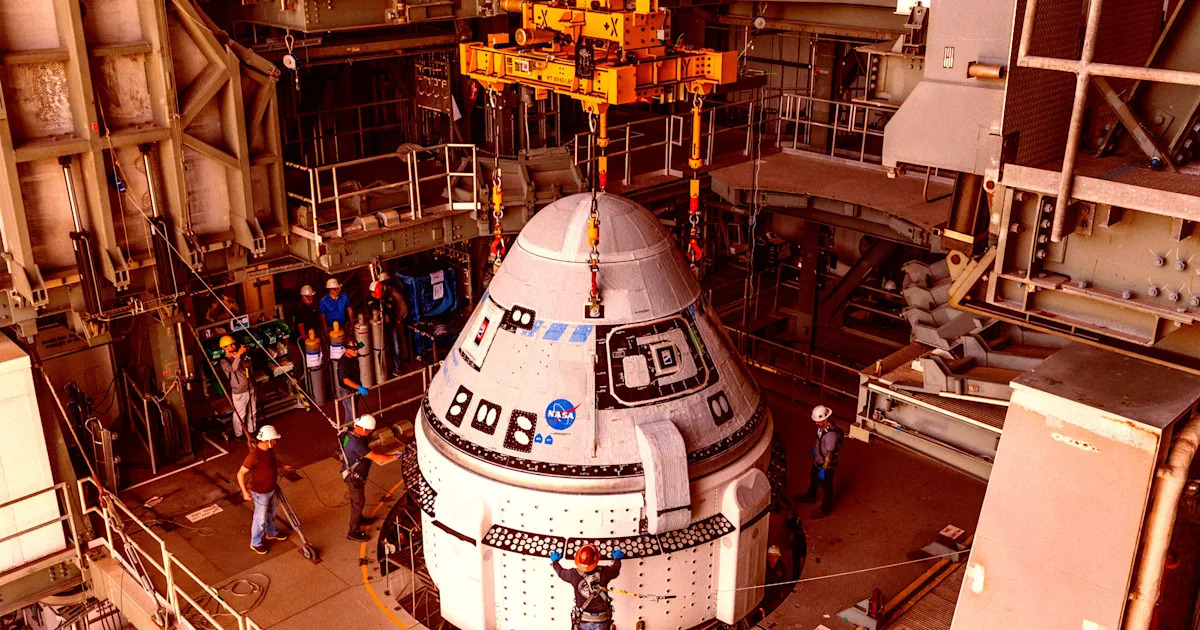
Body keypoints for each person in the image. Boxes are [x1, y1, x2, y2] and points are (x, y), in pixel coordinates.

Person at [340, 414, 400, 541]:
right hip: (353, 478)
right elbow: (378, 459)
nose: (370, 433)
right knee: (357, 504)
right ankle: (353, 532)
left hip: (354, 475)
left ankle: (359, 519)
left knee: (359, 502)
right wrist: (396, 456)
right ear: (363, 429)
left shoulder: (350, 434)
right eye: (369, 431)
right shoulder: (356, 444)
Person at [237, 425, 292, 554]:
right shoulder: (253, 456)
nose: (275, 442)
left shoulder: (269, 450)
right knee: (260, 518)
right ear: (268, 441)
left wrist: (283, 466)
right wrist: (244, 492)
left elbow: (272, 461)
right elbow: (240, 474)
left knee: (271, 512)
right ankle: (255, 542)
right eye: (274, 439)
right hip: (260, 493)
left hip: (271, 489)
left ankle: (271, 532)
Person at [550, 543, 624, 630]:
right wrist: (617, 559)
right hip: (601, 620)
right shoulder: (605, 572)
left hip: (582, 619)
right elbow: (615, 570)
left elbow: (561, 573)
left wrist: (555, 562)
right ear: (596, 559)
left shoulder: (573, 575)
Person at [794, 405, 844, 519]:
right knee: (814, 477)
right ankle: (810, 496)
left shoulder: (831, 435)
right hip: (819, 459)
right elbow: (819, 440)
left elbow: (829, 454)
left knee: (826, 486)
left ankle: (826, 508)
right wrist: (815, 451)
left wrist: (824, 469)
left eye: (818, 421)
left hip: (826, 464)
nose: (816, 423)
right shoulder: (822, 428)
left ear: (825, 419)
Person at [219, 335, 256, 440]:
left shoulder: (239, 356)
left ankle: (252, 430)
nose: (233, 346)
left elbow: (248, 366)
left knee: (252, 411)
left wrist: (242, 357)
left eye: (233, 344)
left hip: (250, 387)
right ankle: (239, 434)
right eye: (230, 345)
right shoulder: (224, 361)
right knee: (240, 415)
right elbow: (233, 368)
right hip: (239, 392)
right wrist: (238, 355)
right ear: (224, 348)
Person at [374, 272, 410, 376]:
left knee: (397, 342)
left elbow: (403, 307)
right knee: (391, 344)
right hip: (387, 323)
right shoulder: (384, 294)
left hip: (396, 321)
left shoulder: (393, 293)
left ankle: (400, 364)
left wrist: (399, 318)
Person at [337, 341, 370, 423]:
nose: (356, 352)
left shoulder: (353, 356)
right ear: (346, 350)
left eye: (357, 349)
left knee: (354, 410)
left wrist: (360, 344)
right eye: (354, 350)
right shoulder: (343, 364)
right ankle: (349, 430)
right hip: (347, 391)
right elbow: (346, 380)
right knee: (352, 414)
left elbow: (361, 345)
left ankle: (351, 428)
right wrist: (359, 387)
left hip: (355, 388)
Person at [786, 506, 807, 580]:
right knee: (796, 562)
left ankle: (797, 577)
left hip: (799, 543)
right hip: (796, 544)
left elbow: (799, 530)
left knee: (799, 562)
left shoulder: (796, 520)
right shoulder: (793, 521)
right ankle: (795, 577)